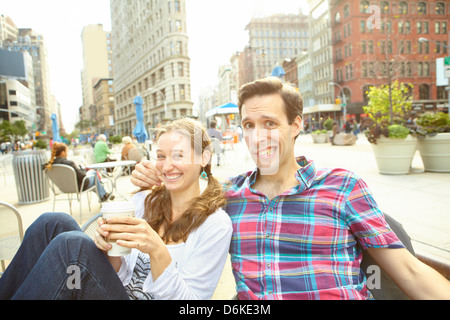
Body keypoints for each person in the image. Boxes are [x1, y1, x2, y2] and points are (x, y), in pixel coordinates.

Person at [131, 77, 450, 300]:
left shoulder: (341, 186)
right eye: (249, 125)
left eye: (270, 123)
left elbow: (409, 272)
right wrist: (153, 174)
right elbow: (179, 179)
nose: (257, 137)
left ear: (296, 125)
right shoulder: (228, 196)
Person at [0, 118, 232, 300]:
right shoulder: (145, 200)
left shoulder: (215, 224)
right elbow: (119, 276)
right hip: (112, 292)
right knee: (52, 224)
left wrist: (157, 250)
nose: (167, 165)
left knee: (72, 246)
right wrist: (108, 248)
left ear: (204, 157)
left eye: (178, 155)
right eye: (160, 156)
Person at [43, 142, 113, 202]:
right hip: (78, 187)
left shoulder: (50, 165)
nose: (66, 153)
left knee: (94, 182)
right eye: (66, 152)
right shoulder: (69, 163)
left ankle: (103, 195)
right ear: (62, 152)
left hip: (63, 188)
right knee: (93, 173)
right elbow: (82, 177)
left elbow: (43, 166)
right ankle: (103, 195)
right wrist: (82, 169)